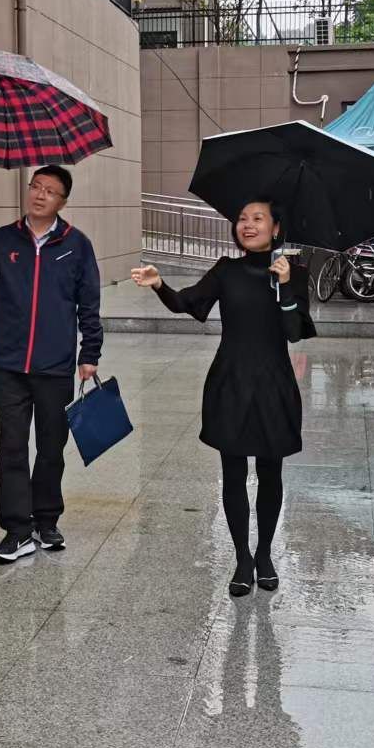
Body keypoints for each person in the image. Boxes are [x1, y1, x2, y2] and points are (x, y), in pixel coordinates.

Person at [131, 202, 315, 596]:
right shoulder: (226, 271)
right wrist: (159, 283)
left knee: (270, 473)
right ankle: (243, 558)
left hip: (274, 384)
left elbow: (295, 332)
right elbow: (186, 303)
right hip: (230, 381)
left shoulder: (295, 273)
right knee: (232, 473)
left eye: (258, 219)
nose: (247, 225)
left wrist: (284, 286)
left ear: (276, 228)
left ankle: (264, 554)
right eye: (242, 219)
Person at [0, 165, 102, 564]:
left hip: (55, 366)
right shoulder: (2, 239)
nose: (40, 195)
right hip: (8, 364)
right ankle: (17, 530)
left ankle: (46, 520)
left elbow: (89, 304)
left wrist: (90, 354)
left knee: (52, 448)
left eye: (50, 191)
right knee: (12, 448)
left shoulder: (77, 245)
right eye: (36, 186)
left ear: (63, 201)